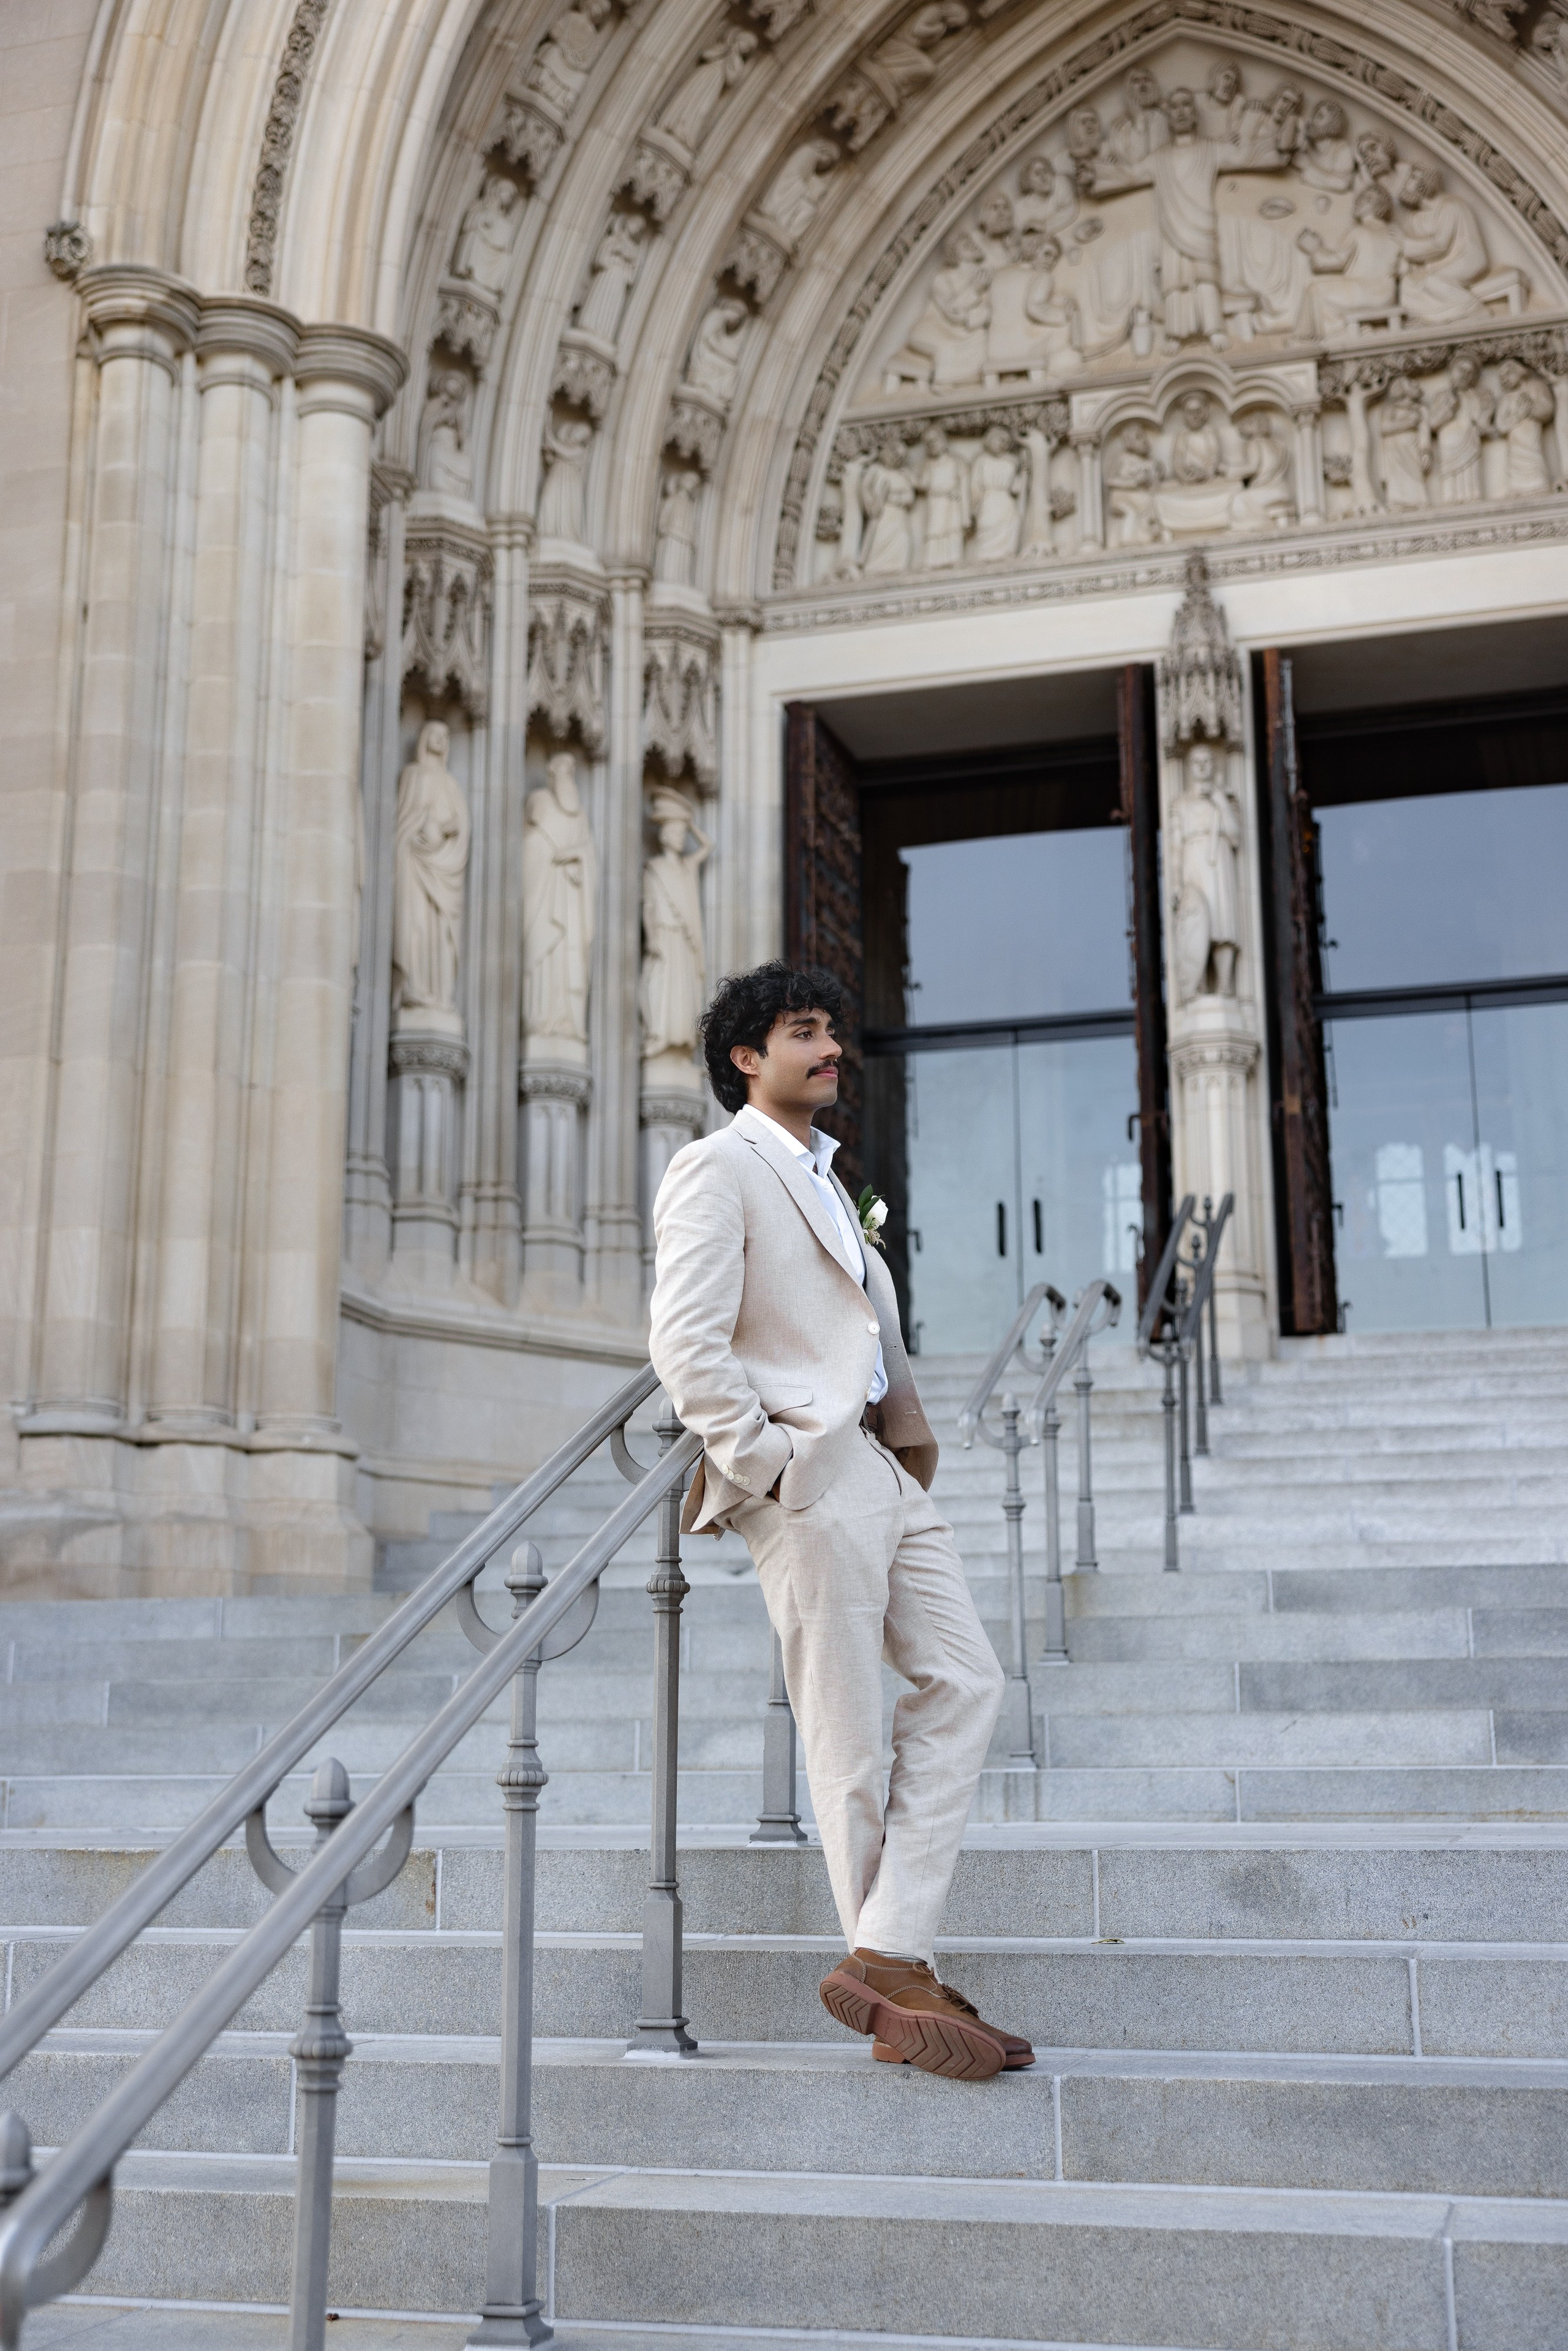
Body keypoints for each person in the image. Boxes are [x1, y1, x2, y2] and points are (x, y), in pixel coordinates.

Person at [649, 963, 1024, 2082]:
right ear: (745, 1058)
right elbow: (686, 1342)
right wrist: (769, 1465)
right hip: (808, 1474)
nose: (830, 1049)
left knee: (969, 1679)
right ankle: (897, 1973)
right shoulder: (718, 1168)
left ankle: (888, 1949)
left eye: (830, 1031)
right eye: (802, 1032)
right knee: (847, 1729)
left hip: (883, 1465)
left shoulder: (827, 1177)